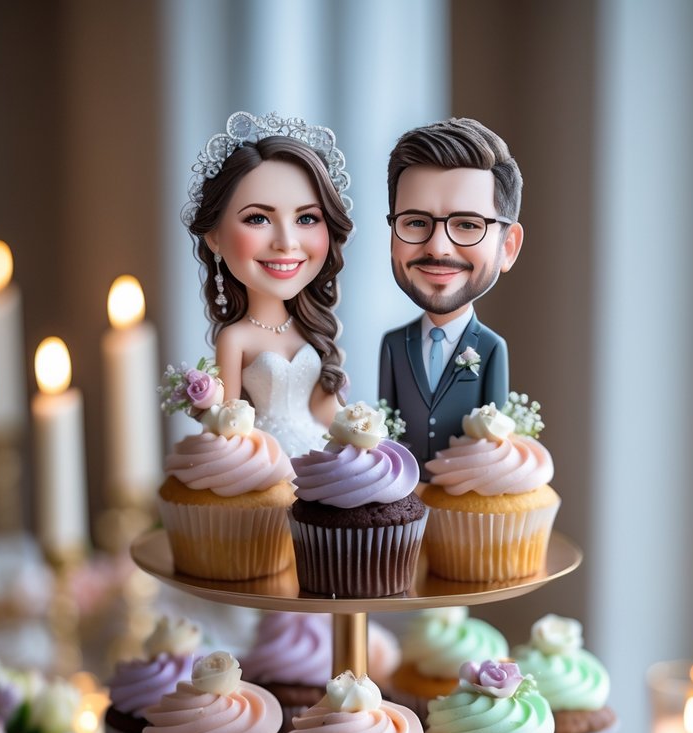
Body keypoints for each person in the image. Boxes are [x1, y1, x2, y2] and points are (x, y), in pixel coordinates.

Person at [183, 112, 354, 456]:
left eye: (307, 218)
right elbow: (229, 421)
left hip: (319, 457)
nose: (286, 242)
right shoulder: (236, 338)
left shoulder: (311, 328)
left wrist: (359, 436)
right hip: (261, 462)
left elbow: (324, 411)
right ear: (215, 236)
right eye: (258, 218)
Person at [378, 117, 524, 474]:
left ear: (507, 247)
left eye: (468, 225)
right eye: (415, 222)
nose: (438, 247)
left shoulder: (490, 348)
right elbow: (383, 430)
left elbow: (496, 439)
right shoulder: (394, 344)